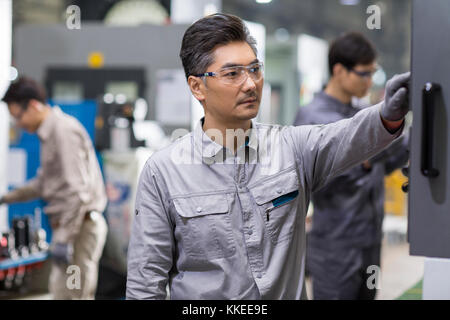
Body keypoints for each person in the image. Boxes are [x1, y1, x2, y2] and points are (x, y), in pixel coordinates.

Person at [126, 13, 410, 300]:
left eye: (254, 69)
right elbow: (146, 282)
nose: (250, 84)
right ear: (197, 86)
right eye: (233, 73)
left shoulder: (292, 148)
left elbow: (349, 135)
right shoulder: (163, 172)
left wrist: (390, 112)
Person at [294, 32, 409, 300]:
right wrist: (368, 158)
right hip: (336, 245)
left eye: (373, 73)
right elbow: (321, 178)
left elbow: (385, 160)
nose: (370, 81)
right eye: (363, 74)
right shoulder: (313, 118)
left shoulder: (360, 115)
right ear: (339, 71)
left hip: (369, 241)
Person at [0, 77, 108, 299]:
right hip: (72, 229)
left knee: (72, 293)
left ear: (33, 105)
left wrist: (65, 239)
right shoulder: (49, 134)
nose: (18, 124)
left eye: (18, 116)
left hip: (79, 229)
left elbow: (77, 191)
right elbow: (44, 183)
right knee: (64, 293)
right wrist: (6, 198)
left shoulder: (62, 131)